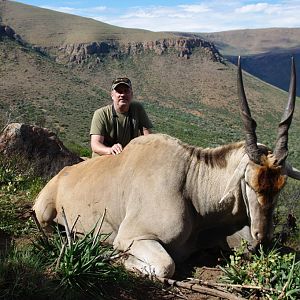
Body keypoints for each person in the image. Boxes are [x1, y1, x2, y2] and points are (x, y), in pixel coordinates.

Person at [90, 77, 153, 157]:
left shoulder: (137, 109)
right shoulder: (101, 114)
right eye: (119, 91)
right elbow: (95, 145)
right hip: (104, 159)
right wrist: (110, 150)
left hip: (127, 158)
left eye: (126, 91)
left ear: (131, 94)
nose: (122, 95)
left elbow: (149, 138)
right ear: (112, 95)